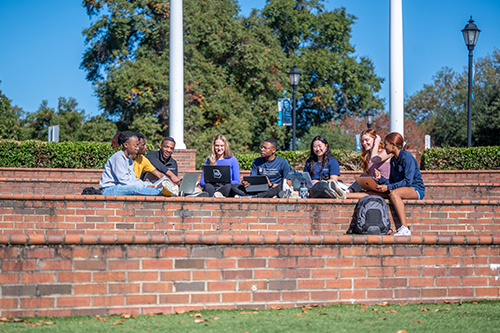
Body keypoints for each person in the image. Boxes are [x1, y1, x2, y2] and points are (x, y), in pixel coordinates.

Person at [372, 132, 425, 236]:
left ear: (393, 145)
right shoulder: (392, 160)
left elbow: (408, 181)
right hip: (401, 188)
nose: (384, 148)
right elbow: (392, 182)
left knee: (394, 194)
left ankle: (404, 228)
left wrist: (388, 187)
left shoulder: (407, 157)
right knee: (376, 192)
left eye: (386, 144)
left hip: (415, 189)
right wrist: (381, 178)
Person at [99, 131, 163, 196]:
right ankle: (161, 192)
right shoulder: (118, 158)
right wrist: (144, 187)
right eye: (135, 146)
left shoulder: (129, 159)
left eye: (138, 145)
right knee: (135, 188)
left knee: (140, 186)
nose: (137, 148)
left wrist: (148, 185)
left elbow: (133, 179)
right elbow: (125, 182)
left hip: (120, 187)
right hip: (109, 189)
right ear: (126, 145)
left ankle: (161, 191)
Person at [346, 129, 392, 197]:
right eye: (362, 141)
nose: (364, 143)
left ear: (375, 139)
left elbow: (374, 159)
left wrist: (376, 143)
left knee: (364, 176)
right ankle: (346, 191)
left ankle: (347, 191)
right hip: (371, 186)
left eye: (367, 140)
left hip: (383, 185)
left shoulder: (386, 152)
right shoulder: (367, 155)